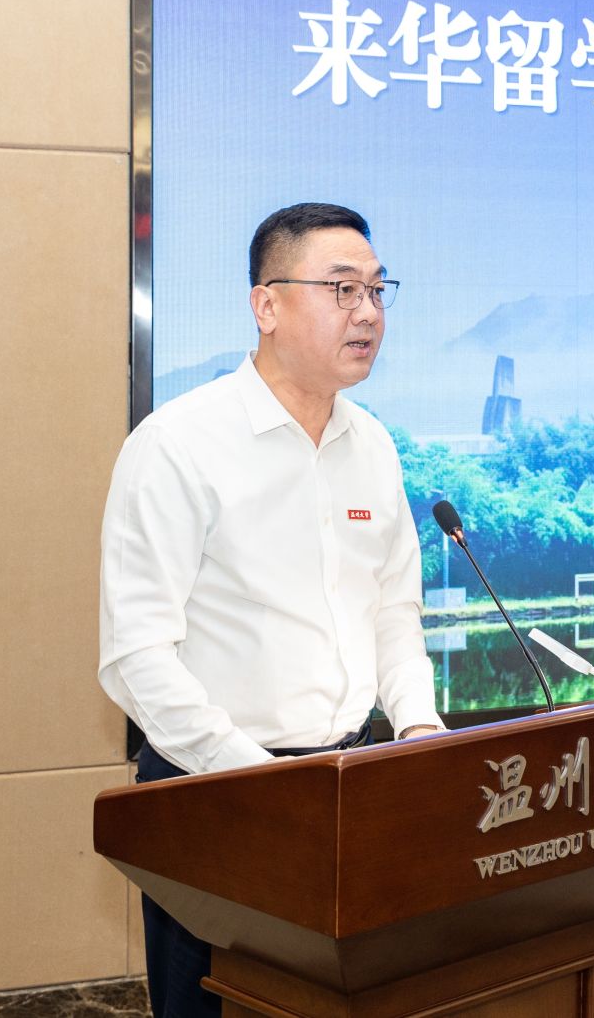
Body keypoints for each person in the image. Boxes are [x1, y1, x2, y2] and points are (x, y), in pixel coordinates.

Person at [98, 202, 443, 1018]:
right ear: (266, 305)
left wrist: (420, 730)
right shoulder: (179, 445)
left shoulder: (374, 446)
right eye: (342, 288)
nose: (368, 312)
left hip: (350, 788)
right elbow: (135, 656)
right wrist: (268, 786)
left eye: (378, 289)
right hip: (218, 801)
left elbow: (393, 612)